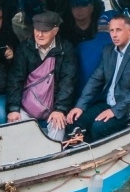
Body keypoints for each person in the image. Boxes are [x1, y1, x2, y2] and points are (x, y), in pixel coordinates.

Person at [66, 14, 130, 142]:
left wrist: (115, 111)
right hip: (107, 103)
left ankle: (94, 151)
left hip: (129, 108)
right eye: (111, 30)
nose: (114, 35)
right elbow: (95, 80)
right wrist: (80, 106)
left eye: (118, 30)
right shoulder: (108, 50)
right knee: (75, 120)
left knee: (98, 127)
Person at [7, 11, 78, 141]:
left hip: (54, 106)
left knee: (58, 125)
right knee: (15, 124)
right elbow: (15, 79)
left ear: (55, 31)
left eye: (44, 31)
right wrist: (14, 108)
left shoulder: (65, 49)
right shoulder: (24, 48)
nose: (39, 34)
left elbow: (68, 81)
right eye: (37, 30)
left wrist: (60, 109)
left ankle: (53, 153)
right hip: (26, 105)